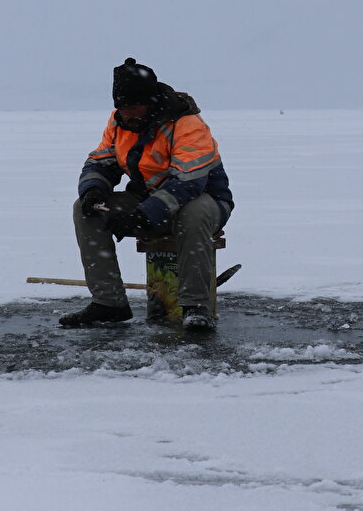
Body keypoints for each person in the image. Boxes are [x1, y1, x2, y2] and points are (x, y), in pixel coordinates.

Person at [60, 58, 235, 330]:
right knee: (84, 210)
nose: (126, 114)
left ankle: (195, 307)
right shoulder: (120, 121)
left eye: (132, 107)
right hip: (149, 200)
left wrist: (143, 216)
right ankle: (109, 303)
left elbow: (187, 183)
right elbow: (101, 162)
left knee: (194, 213)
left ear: (150, 102)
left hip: (204, 201)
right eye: (121, 108)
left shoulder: (187, 124)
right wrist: (93, 192)